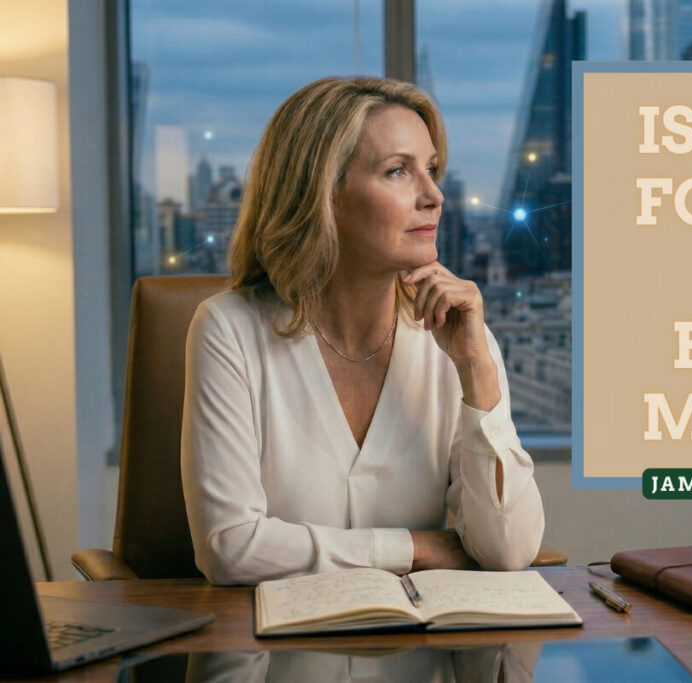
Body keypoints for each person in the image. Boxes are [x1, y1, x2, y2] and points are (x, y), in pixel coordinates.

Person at [181, 76, 545, 586]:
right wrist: (417, 547)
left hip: (422, 658)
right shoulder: (229, 330)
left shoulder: (459, 339)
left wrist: (476, 370)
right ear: (321, 196)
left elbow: (509, 551)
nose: (434, 195)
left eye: (432, 170)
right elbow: (231, 548)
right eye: (398, 171)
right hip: (275, 660)